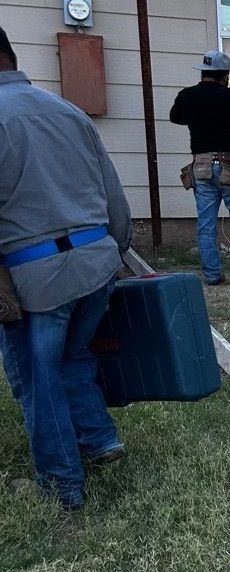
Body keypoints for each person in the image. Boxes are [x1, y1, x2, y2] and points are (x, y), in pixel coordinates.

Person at [0, 25, 132, 510]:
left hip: (35, 278)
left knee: (39, 377)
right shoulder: (68, 111)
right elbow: (115, 200)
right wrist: (114, 253)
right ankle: (98, 439)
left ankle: (61, 484)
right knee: (72, 355)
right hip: (97, 261)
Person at [169, 49, 230, 286]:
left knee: (206, 224)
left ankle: (212, 275)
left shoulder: (187, 96)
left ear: (203, 72)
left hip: (202, 166)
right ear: (225, 74)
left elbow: (176, 117)